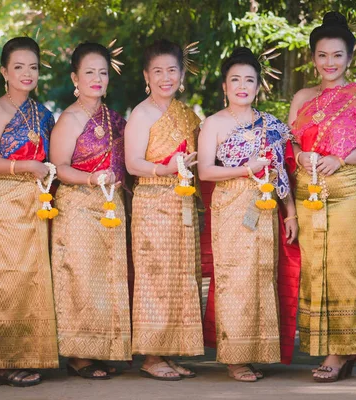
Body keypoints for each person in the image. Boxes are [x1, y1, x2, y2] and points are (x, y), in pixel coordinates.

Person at [287, 11, 356, 382]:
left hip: (348, 192)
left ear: (350, 57)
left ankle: (341, 352)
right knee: (313, 268)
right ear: (313, 57)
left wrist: (342, 157)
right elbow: (288, 144)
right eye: (322, 55)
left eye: (337, 55)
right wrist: (300, 155)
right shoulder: (303, 97)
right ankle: (321, 343)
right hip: (308, 193)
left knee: (344, 268)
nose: (329, 63)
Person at [198, 47, 298, 382]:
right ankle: (234, 357)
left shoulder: (271, 124)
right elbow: (207, 172)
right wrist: (244, 170)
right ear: (224, 87)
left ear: (258, 87)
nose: (242, 85)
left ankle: (256, 351)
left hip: (266, 207)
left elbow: (281, 172)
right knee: (234, 280)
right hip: (230, 207)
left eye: (249, 80)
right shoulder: (213, 123)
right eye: (235, 79)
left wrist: (291, 214)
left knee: (260, 278)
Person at [0, 36, 58, 387]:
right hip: (5, 200)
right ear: (4, 72)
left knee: (33, 278)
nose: (27, 73)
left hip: (36, 202)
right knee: (7, 277)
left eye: (33, 67)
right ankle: (2, 359)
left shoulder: (44, 113)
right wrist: (23, 167)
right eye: (19, 67)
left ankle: (33, 354)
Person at [49, 42, 131, 379]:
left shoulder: (113, 119)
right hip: (78, 205)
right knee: (81, 278)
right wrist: (92, 178)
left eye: (102, 72)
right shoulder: (69, 118)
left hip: (111, 205)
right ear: (75, 78)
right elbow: (59, 167)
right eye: (89, 72)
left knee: (109, 278)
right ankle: (79, 355)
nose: (97, 78)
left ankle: (104, 349)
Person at [124, 39, 203, 381]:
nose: (165, 77)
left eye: (172, 70)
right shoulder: (142, 113)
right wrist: (166, 170)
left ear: (182, 74)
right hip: (153, 200)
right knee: (154, 277)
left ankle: (168, 351)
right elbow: (132, 163)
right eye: (158, 71)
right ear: (146, 75)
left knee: (181, 277)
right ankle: (151, 354)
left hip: (183, 201)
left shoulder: (188, 113)